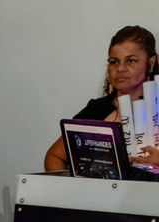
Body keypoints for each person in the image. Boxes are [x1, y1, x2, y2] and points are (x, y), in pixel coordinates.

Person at [44, 25, 158, 172]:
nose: (120, 68)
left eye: (131, 61)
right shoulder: (96, 110)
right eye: (114, 62)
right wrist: (68, 185)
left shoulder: (156, 108)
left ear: (151, 62)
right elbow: (54, 156)